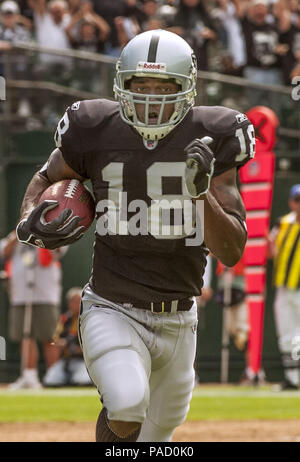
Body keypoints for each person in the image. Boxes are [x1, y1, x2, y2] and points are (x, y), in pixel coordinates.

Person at [15, 29, 254, 442]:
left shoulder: (213, 135)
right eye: (140, 85)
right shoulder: (94, 127)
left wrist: (200, 194)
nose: (150, 98)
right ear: (121, 85)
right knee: (126, 404)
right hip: (113, 304)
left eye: (163, 87)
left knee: (156, 435)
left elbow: (231, 250)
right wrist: (28, 222)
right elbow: (45, 177)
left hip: (181, 316)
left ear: (187, 89)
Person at [0, 230, 67, 389]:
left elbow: (58, 250)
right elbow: (4, 252)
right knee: (26, 336)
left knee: (49, 337)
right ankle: (29, 375)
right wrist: (19, 232)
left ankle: (53, 376)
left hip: (45, 295)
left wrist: (41, 230)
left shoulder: (51, 232)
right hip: (20, 295)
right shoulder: (15, 236)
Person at [268, 184, 300, 391]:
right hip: (283, 286)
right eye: (297, 200)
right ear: (290, 201)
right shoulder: (282, 224)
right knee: (286, 334)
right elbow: (272, 254)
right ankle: (292, 378)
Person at [43, 287, 92, 387]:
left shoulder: (89, 319)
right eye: (73, 301)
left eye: (79, 301)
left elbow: (93, 345)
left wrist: (79, 349)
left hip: (84, 361)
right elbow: (54, 342)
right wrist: (61, 344)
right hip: (66, 360)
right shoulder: (65, 319)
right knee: (50, 381)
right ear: (69, 303)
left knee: (82, 382)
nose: (76, 304)